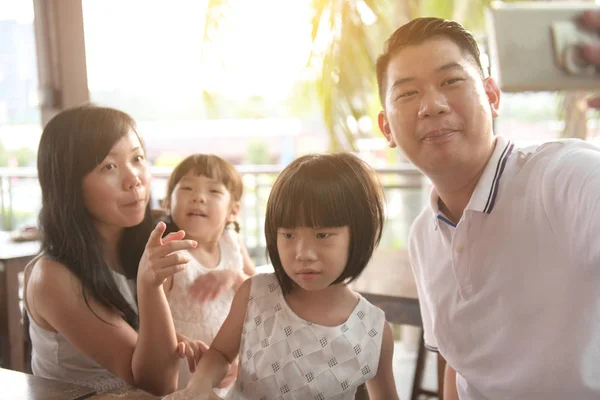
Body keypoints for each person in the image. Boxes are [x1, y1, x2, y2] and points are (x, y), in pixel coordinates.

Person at [376, 14, 600, 400]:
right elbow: (459, 364)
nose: (431, 105)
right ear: (387, 129)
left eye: (451, 81)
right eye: (407, 94)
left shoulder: (564, 176)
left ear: (492, 97)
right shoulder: (423, 236)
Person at [164, 153, 399, 400]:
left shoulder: (373, 330)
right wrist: (199, 386)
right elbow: (221, 354)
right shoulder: (254, 293)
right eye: (288, 235)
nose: (303, 253)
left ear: (358, 234)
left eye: (322, 235)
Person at [24, 104, 202, 395]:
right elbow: (154, 384)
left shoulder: (144, 243)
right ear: (69, 183)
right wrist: (149, 284)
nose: (134, 179)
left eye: (138, 158)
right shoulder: (52, 277)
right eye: (109, 166)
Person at [159, 154, 256, 394]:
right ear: (168, 203)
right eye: (187, 188)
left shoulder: (232, 244)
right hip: (187, 370)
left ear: (233, 210)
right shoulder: (168, 252)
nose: (198, 197)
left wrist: (234, 277)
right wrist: (181, 341)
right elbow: (149, 322)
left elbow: (262, 291)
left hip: (232, 368)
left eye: (214, 192)